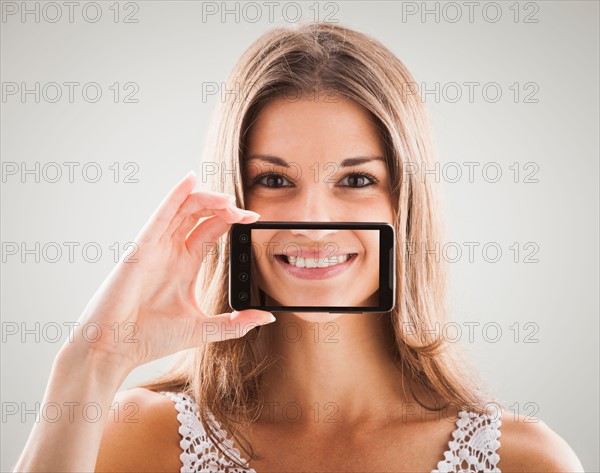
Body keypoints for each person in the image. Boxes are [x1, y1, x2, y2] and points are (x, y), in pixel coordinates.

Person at [13, 22, 584, 473]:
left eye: (356, 181)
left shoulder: (524, 460)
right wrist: (88, 364)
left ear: (405, 206)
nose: (313, 222)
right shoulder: (134, 437)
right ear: (233, 199)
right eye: (275, 180)